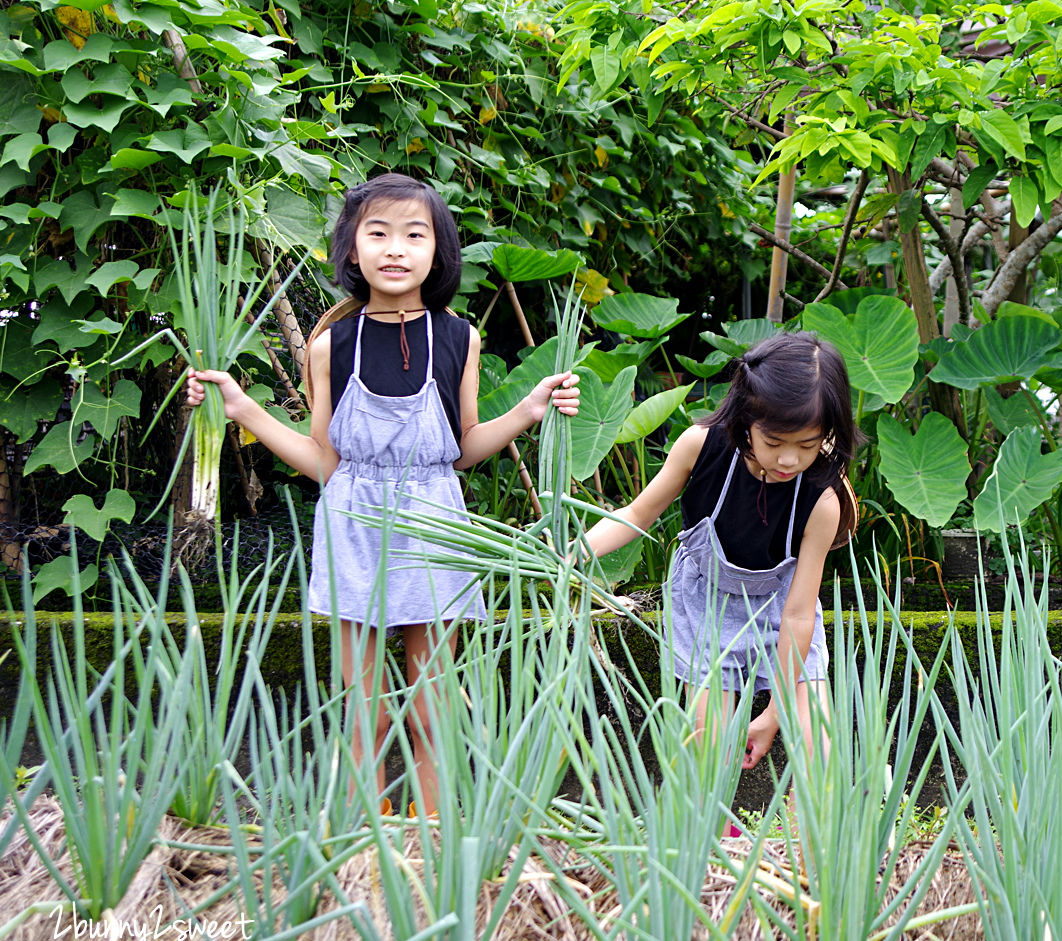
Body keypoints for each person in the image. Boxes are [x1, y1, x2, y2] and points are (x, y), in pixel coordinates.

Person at [185, 172, 579, 814]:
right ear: (351, 251)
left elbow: (463, 448)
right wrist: (243, 410)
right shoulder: (330, 343)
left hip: (435, 525)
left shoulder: (459, 337)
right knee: (360, 712)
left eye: (413, 235)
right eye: (378, 233)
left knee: (431, 706)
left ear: (437, 253)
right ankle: (363, 848)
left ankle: (431, 843)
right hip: (353, 527)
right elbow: (324, 462)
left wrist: (531, 410)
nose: (395, 248)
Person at [581, 332, 859, 771]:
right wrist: (572, 552)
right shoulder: (701, 445)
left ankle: (820, 838)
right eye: (774, 443)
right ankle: (717, 839)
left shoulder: (824, 498)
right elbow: (636, 513)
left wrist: (775, 711)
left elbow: (799, 613)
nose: (788, 460)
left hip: (781, 608)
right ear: (746, 416)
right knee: (708, 752)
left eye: (807, 446)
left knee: (817, 746)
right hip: (704, 602)